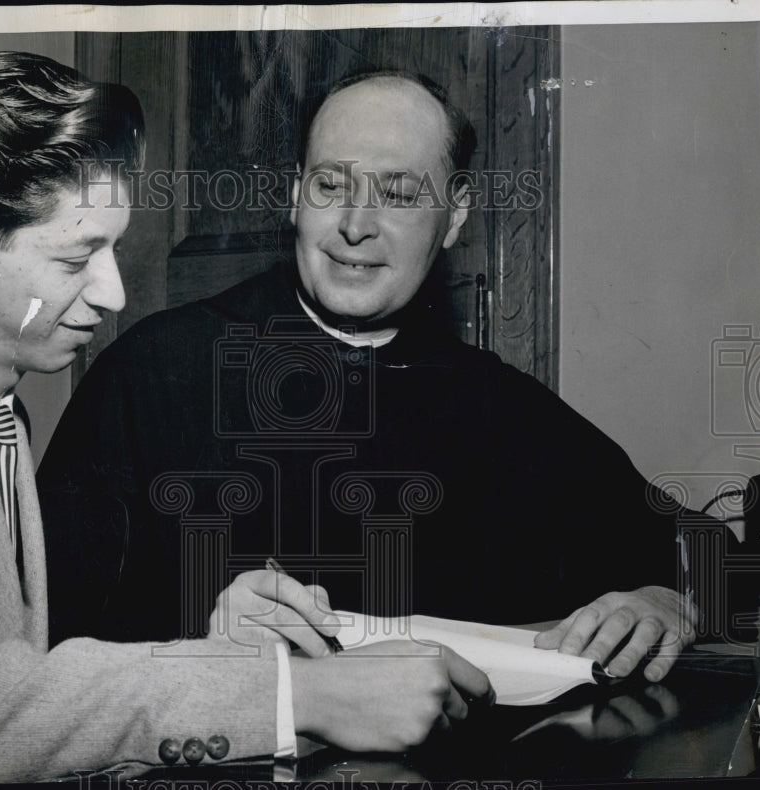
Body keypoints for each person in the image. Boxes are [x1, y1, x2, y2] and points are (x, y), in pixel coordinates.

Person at [0, 55, 493, 786]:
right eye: (81, 256)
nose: (112, 294)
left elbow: (18, 696)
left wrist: (219, 652)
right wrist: (292, 693)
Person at [39, 71, 701, 683]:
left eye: (399, 194)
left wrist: (664, 599)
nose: (356, 226)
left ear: (456, 216)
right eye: (331, 186)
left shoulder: (499, 404)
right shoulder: (155, 370)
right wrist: (202, 645)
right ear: (296, 196)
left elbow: (703, 553)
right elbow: (40, 647)